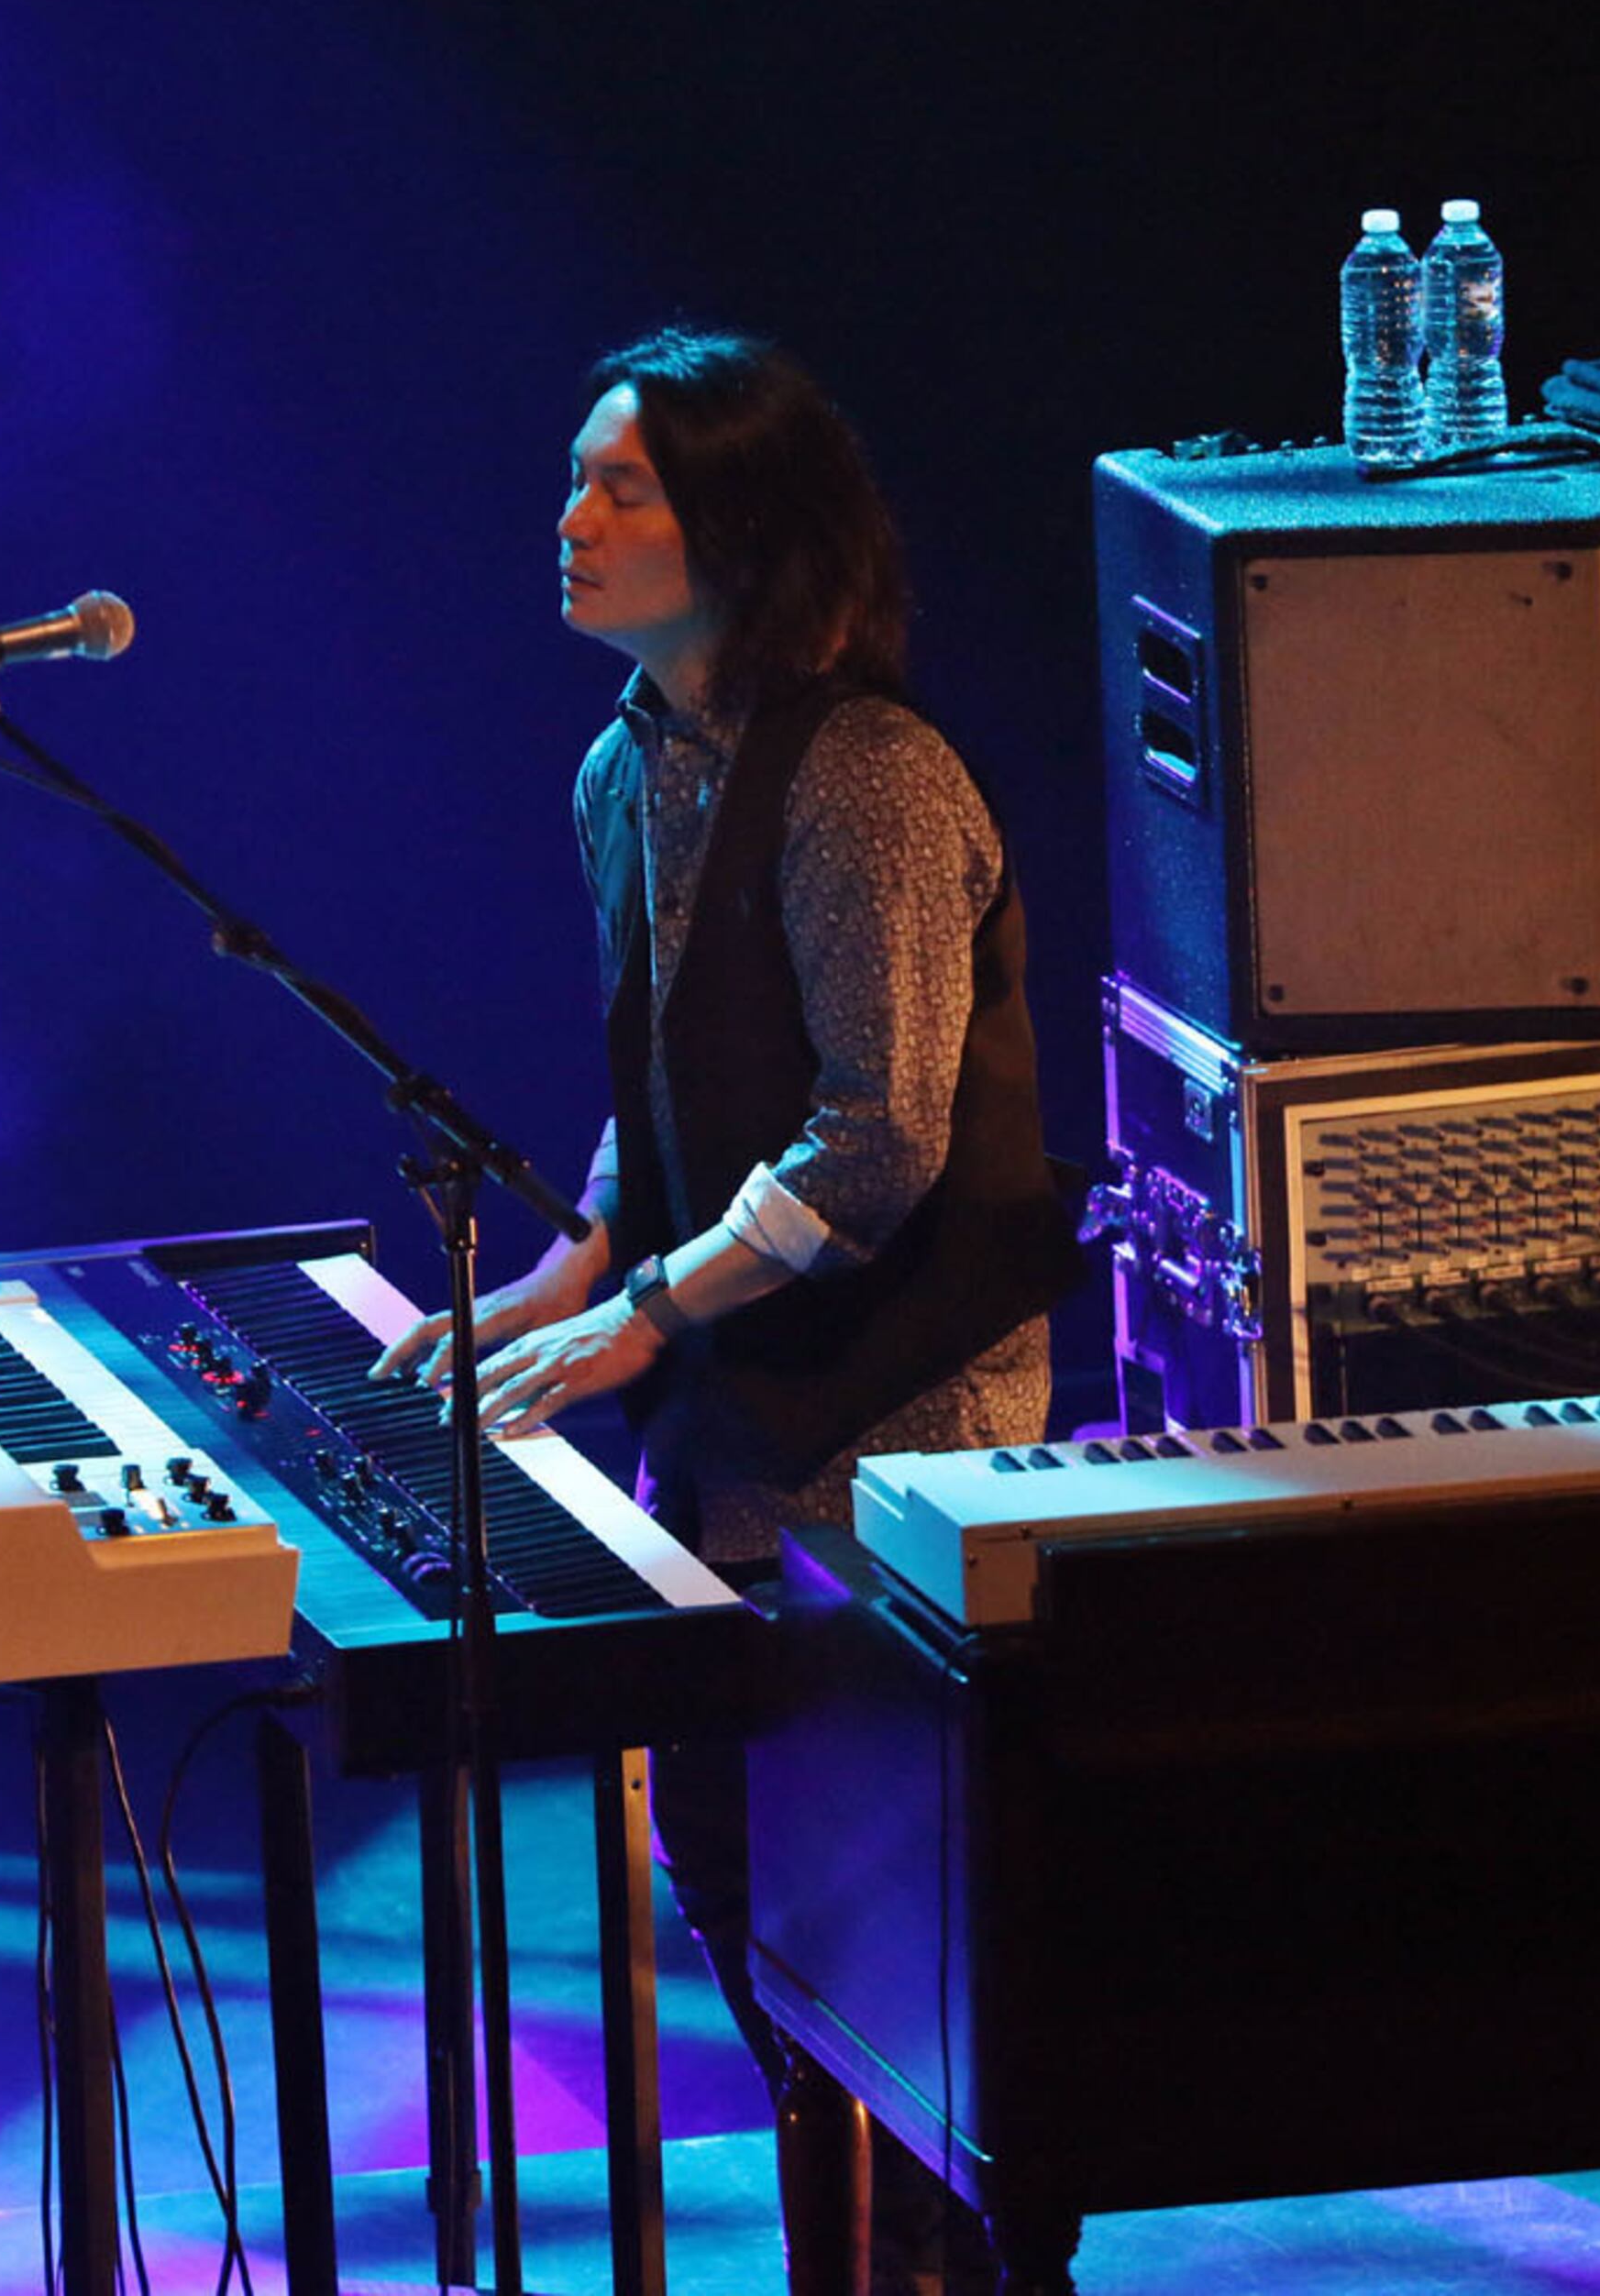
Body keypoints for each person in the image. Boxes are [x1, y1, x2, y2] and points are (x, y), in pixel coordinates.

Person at [374, 326, 1087, 2295]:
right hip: (735, 1412)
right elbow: (672, 1071)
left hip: (909, 1437)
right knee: (754, 1926)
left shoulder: (866, 778)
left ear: (741, 529)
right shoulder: (625, 765)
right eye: (577, 478)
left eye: (623, 486)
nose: (572, 518)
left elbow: (878, 1137)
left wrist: (644, 1316)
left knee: (903, 1979)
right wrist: (576, 1262)